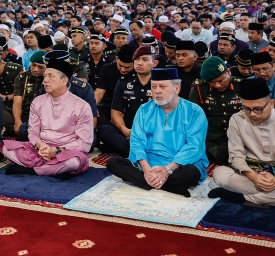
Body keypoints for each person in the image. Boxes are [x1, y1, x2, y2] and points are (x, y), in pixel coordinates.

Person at [105, 67, 208, 197]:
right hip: (149, 162)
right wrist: (146, 168)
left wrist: (168, 169)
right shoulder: (144, 110)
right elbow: (137, 141)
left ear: (177, 88)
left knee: (191, 173)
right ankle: (167, 185)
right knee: (113, 163)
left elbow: (194, 146)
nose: (157, 91)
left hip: (179, 165)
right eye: (154, 87)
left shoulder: (194, 112)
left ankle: (147, 181)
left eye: (163, 86)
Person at [0, 53, 94, 178]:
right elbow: (32, 132)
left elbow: (84, 143)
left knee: (74, 162)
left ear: (64, 80)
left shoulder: (82, 106)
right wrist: (41, 145)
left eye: (51, 76)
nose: (45, 80)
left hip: (66, 151)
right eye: (45, 76)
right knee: (6, 148)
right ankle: (53, 170)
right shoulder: (38, 101)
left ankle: (33, 170)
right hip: (41, 148)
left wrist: (57, 150)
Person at [209, 77, 275, 206]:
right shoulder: (237, 119)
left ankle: (240, 197)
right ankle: (266, 198)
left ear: (271, 103)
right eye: (246, 108)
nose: (252, 114)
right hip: (250, 175)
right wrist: (254, 177)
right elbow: (235, 155)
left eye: (258, 109)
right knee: (219, 173)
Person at [98, 45, 155, 156]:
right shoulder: (124, 82)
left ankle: (134, 151)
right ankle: (139, 152)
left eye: (144, 60)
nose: (139, 63)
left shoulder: (162, 83)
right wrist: (125, 130)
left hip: (153, 133)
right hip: (129, 131)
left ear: (155, 63)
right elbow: (115, 113)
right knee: (103, 131)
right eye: (137, 59)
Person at [187, 57, 242, 164]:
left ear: (228, 72)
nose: (217, 85)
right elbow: (193, 118)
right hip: (211, 138)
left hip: (237, 137)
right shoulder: (199, 89)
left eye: (221, 80)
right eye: (211, 83)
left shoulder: (241, 86)